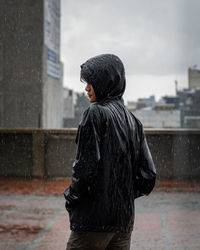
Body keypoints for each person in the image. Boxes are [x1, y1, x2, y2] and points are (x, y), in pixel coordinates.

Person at [64, 54, 156, 250]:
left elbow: (85, 168)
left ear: (105, 81)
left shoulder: (95, 113)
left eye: (91, 82)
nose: (86, 88)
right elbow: (148, 177)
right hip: (123, 222)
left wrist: (71, 197)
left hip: (93, 222)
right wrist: (121, 196)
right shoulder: (134, 121)